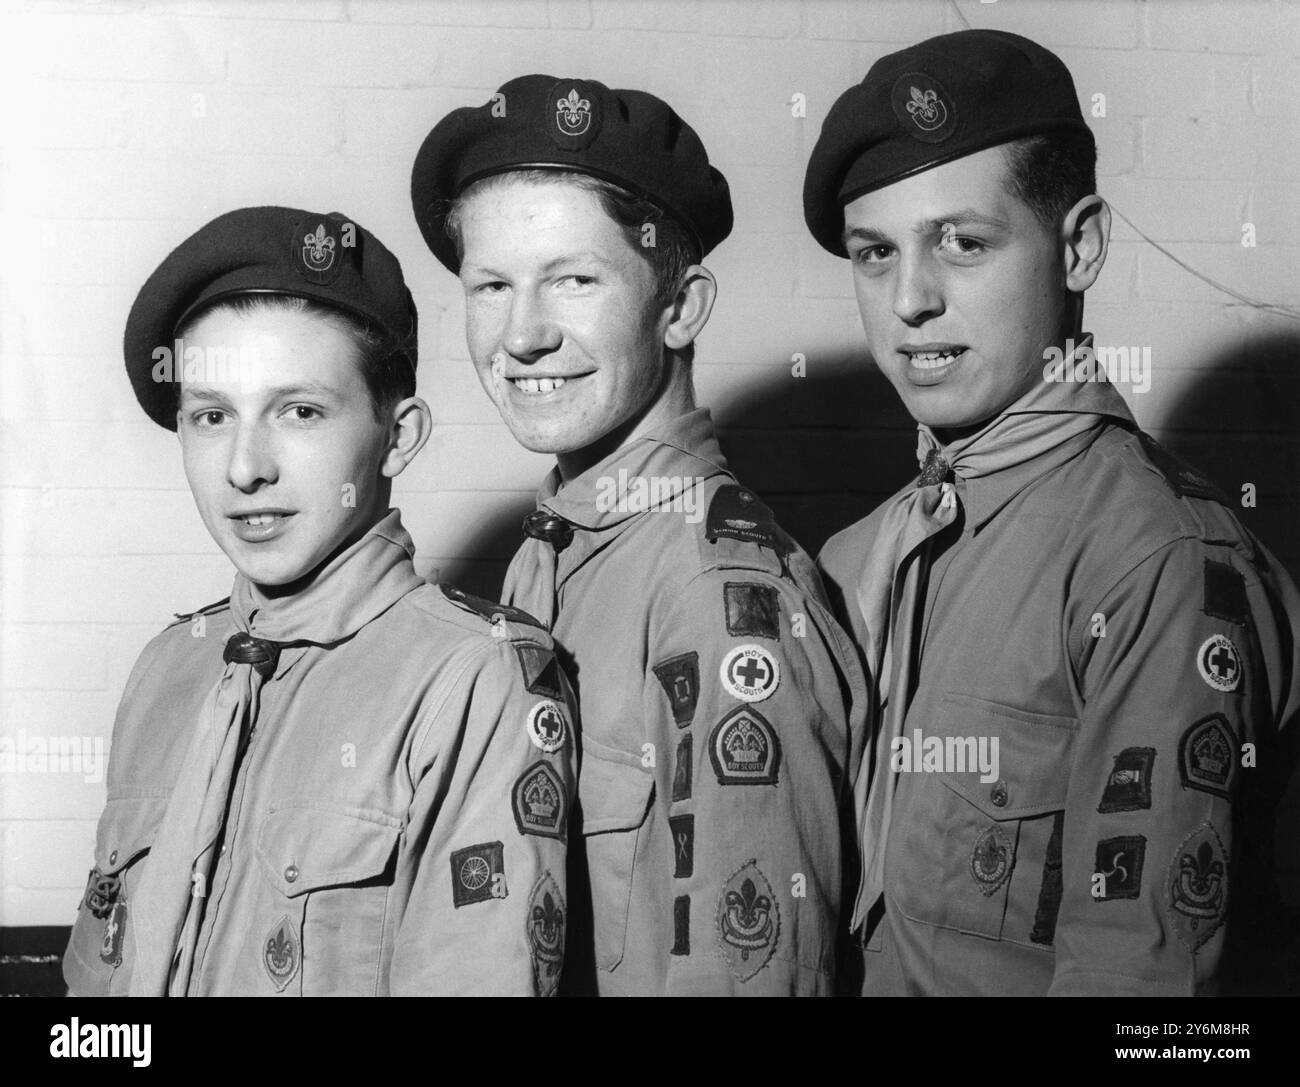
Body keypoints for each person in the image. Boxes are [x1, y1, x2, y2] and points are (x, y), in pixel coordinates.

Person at [804, 29, 1300, 996]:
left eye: (963, 242)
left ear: (1079, 246)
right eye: (875, 253)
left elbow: (1147, 1003)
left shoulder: (1154, 563)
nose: (909, 299)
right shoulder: (858, 555)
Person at [412, 75, 867, 996]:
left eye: (574, 279)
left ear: (683, 306)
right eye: (491, 285)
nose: (523, 335)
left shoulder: (718, 593)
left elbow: (753, 974)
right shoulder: (550, 550)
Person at [63, 206, 575, 996]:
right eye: (210, 416)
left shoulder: (474, 681)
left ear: (398, 436)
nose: (244, 468)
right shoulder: (170, 666)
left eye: (299, 411)